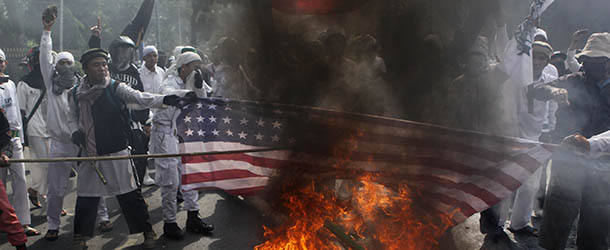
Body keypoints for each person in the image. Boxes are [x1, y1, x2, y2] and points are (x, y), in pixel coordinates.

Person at [67, 48, 185, 249]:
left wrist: (164, 100)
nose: (102, 68)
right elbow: (71, 117)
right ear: (86, 68)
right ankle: (80, 236)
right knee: (86, 195)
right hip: (90, 151)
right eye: (96, 65)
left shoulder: (115, 88)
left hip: (117, 149)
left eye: (104, 64)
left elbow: (141, 98)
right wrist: (75, 132)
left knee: (129, 193)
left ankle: (148, 231)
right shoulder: (75, 93)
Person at [532, 32, 610, 250]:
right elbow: (535, 91)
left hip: (603, 164)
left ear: (608, 63)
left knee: (597, 220)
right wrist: (553, 90)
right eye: (587, 61)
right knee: (558, 213)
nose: (589, 66)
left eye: (597, 62)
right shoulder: (574, 80)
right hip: (567, 159)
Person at [38, 14, 113, 241]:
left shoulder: (81, 86)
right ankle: (53, 225)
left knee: (93, 181)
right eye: (61, 63)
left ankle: (103, 217)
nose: (66, 66)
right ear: (55, 66)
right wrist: (46, 32)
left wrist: (95, 40)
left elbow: (96, 65)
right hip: (59, 145)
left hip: (81, 143)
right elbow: (44, 58)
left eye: (69, 63)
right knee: (56, 188)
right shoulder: (51, 86)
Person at [151, 52, 213, 240]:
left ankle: (193, 217)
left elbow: (204, 98)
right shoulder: (170, 80)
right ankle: (170, 223)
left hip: (181, 132)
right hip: (164, 135)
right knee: (170, 182)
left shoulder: (192, 80)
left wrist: (199, 86)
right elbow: (169, 94)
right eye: (194, 67)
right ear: (183, 67)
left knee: (190, 175)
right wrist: (190, 93)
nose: (196, 71)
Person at [505, 41, 559, 237]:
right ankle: (497, 224)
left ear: (547, 61)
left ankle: (519, 223)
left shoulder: (550, 77)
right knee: (505, 181)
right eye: (534, 56)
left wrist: (550, 127)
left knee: (531, 184)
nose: (537, 61)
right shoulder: (518, 77)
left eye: (542, 57)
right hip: (514, 132)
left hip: (536, 135)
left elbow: (552, 105)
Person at [0, 49, 39, 236]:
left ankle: (23, 222)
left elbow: (17, 115)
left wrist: (22, 140)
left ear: (5, 63)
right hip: (0, 144)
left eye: (0, 61)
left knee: (21, 181)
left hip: (14, 140)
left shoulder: (11, 85)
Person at [16, 47, 49, 209]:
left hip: (51, 129)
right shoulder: (24, 84)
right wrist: (22, 138)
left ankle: (35, 190)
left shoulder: (51, 81)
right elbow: (20, 112)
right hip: (35, 129)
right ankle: (52, 202)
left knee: (42, 166)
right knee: (47, 166)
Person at [138, 45, 165, 186]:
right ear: (144, 58)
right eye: (149, 56)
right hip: (145, 116)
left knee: (160, 146)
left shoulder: (161, 72)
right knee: (143, 147)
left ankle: (162, 175)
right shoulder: (139, 74)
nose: (152, 58)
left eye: (154, 55)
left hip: (160, 115)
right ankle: (145, 174)